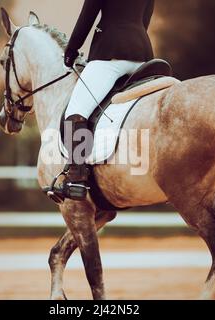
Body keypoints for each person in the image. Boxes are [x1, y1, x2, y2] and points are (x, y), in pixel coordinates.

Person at [58, 0, 155, 201]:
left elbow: (87, 17)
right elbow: (145, 18)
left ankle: (77, 177)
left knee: (76, 111)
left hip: (110, 52)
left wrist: (71, 50)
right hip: (143, 54)